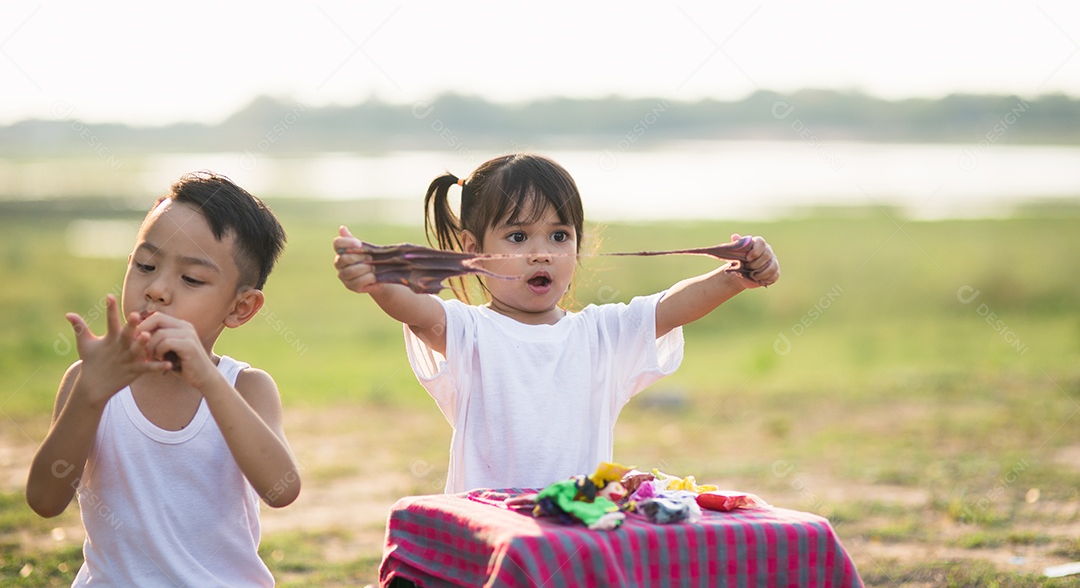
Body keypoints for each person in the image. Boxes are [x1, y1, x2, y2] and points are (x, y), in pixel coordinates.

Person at [333, 153, 779, 494]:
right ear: (473, 248)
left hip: (576, 533)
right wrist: (374, 280)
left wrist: (736, 276)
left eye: (559, 236)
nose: (541, 252)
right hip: (491, 533)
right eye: (518, 236)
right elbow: (416, 309)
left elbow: (671, 307)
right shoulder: (469, 331)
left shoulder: (600, 334)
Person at [26, 171, 300, 587]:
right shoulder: (89, 379)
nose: (156, 289)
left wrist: (209, 381)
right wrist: (90, 393)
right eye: (146, 264)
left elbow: (281, 490)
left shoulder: (246, 387)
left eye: (191, 279)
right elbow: (45, 501)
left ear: (241, 308)